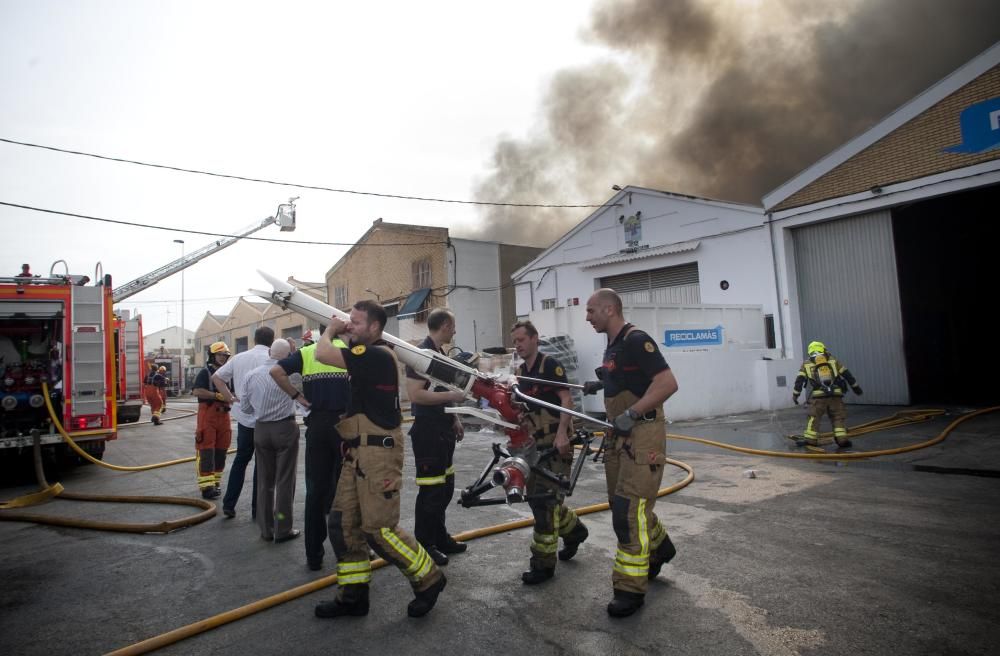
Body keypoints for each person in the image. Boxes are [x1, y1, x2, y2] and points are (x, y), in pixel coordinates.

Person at [312, 301, 445, 619]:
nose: (349, 326)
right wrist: (345, 333)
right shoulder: (367, 354)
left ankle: (429, 580)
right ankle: (354, 596)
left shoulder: (375, 354)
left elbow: (322, 354)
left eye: (355, 322)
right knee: (343, 524)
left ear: (374, 327)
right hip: (358, 453)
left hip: (378, 456)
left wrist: (330, 329)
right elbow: (347, 352)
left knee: (379, 530)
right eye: (348, 321)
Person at [583, 288, 679, 618]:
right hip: (619, 438)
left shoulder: (637, 340)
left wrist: (632, 414)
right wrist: (601, 384)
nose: (587, 316)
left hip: (642, 436)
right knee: (623, 505)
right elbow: (629, 379)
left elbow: (667, 383)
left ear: (610, 310)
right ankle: (660, 547)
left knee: (628, 512)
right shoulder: (613, 345)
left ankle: (629, 589)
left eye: (592, 310)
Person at [511, 320, 589, 585]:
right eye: (515, 342)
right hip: (535, 445)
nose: (518, 346)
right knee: (540, 498)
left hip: (557, 444)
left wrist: (562, 433)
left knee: (544, 502)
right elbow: (524, 409)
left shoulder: (550, 366)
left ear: (534, 339)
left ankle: (543, 565)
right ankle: (575, 531)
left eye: (521, 340)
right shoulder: (522, 372)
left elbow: (566, 400)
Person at [270, 331, 350, 572]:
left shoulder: (307, 353)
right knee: (347, 490)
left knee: (315, 491)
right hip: (344, 425)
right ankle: (348, 549)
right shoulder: (348, 351)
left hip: (317, 426)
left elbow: (275, 371)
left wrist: (298, 397)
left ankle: (314, 555)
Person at [404, 308, 468, 568]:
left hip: (442, 429)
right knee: (431, 491)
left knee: (445, 488)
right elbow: (416, 395)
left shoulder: (439, 354)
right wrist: (453, 399)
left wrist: (455, 418)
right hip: (428, 432)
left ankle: (440, 537)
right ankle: (425, 544)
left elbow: (441, 389)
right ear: (444, 326)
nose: (454, 331)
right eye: (452, 326)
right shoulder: (422, 355)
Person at [240, 339, 302, 543]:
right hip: (285, 427)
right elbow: (303, 398)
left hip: (261, 429)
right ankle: (283, 528)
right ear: (287, 356)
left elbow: (246, 409)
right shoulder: (292, 376)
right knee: (285, 480)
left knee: (264, 481)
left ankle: (266, 529)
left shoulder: (251, 376)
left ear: (269, 353)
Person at [212, 326, 275, 519]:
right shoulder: (272, 359)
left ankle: (229, 504)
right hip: (265, 420)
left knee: (240, 461)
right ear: (272, 341)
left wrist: (230, 397)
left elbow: (217, 377)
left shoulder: (239, 358)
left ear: (254, 339)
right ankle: (258, 508)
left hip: (244, 419)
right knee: (262, 465)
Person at [792, 341, 863, 448]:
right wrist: (856, 388)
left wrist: (795, 395)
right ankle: (842, 440)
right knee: (838, 417)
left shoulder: (806, 364)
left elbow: (799, 381)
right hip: (835, 395)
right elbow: (847, 375)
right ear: (823, 349)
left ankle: (811, 440)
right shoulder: (833, 360)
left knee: (814, 417)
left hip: (818, 397)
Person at [192, 342, 233, 500]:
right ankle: (206, 486)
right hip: (208, 413)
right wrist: (216, 395)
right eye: (220, 355)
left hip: (224, 415)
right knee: (206, 450)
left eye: (225, 355)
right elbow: (196, 391)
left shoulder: (227, 374)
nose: (223, 358)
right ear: (213, 356)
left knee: (222, 449)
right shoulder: (205, 372)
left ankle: (215, 482)